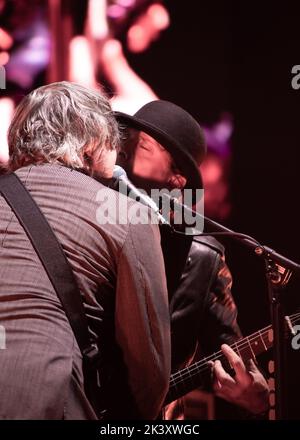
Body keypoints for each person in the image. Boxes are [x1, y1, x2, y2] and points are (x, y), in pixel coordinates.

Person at [0, 81, 171, 420]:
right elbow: (149, 370)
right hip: (47, 402)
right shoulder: (127, 214)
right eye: (115, 145)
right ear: (92, 145)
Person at [114, 99, 270, 419]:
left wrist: (254, 397)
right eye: (124, 138)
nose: (125, 149)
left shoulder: (202, 258)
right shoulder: (92, 221)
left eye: (143, 144)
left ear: (177, 179)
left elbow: (235, 359)